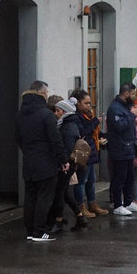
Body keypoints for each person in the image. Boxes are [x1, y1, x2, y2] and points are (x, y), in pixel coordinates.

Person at [14, 81, 68, 242]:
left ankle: (30, 231)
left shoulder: (20, 114)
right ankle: (39, 231)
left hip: (29, 161)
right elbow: (55, 139)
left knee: (30, 197)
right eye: (46, 92)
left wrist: (28, 151)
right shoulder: (46, 114)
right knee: (44, 198)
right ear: (42, 93)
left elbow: (18, 138)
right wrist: (63, 159)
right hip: (45, 162)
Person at [48, 98, 87, 233]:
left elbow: (67, 147)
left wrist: (63, 161)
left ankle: (58, 221)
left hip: (65, 164)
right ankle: (80, 217)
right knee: (64, 192)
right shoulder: (69, 124)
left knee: (60, 192)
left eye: (58, 111)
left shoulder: (67, 126)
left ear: (65, 112)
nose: (55, 113)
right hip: (68, 164)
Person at [104, 82, 137, 215]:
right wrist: (131, 115)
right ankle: (117, 204)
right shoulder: (115, 108)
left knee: (130, 177)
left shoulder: (125, 106)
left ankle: (128, 202)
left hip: (129, 147)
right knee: (119, 177)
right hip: (120, 148)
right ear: (126, 93)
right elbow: (120, 126)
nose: (134, 97)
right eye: (133, 94)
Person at [71, 90, 106, 217]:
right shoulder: (76, 117)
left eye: (90, 103)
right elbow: (83, 132)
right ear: (77, 103)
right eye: (86, 103)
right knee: (81, 181)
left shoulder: (88, 115)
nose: (89, 106)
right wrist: (95, 121)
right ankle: (81, 207)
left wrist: (102, 137)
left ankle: (93, 204)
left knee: (91, 181)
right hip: (83, 154)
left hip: (91, 151)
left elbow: (92, 132)